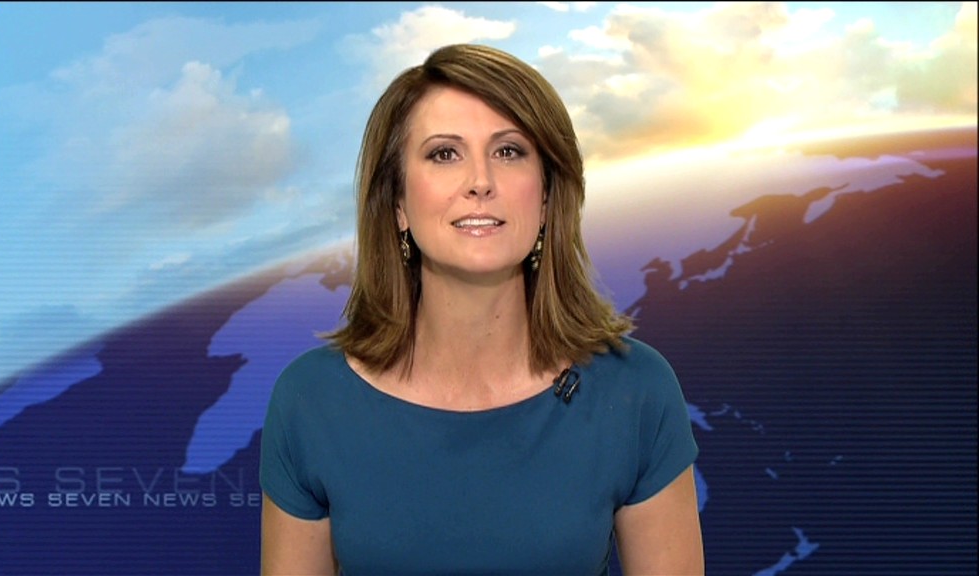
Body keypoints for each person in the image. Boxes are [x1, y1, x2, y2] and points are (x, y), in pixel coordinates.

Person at [260, 43, 703, 575]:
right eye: (444, 154)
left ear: (546, 197)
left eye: (509, 151)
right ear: (398, 203)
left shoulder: (636, 391)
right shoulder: (312, 401)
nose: (481, 182)